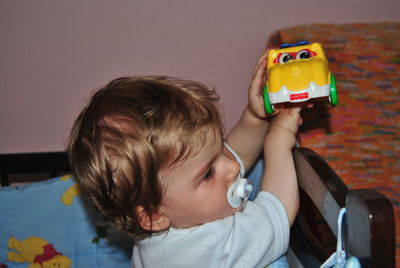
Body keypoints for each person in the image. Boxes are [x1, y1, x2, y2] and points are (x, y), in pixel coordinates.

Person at [67, 50, 301, 268]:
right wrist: (279, 141)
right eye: (208, 173)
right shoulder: (202, 251)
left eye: (220, 150)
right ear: (152, 216)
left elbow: (236, 152)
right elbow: (277, 212)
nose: (232, 166)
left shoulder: (169, 220)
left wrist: (254, 116)